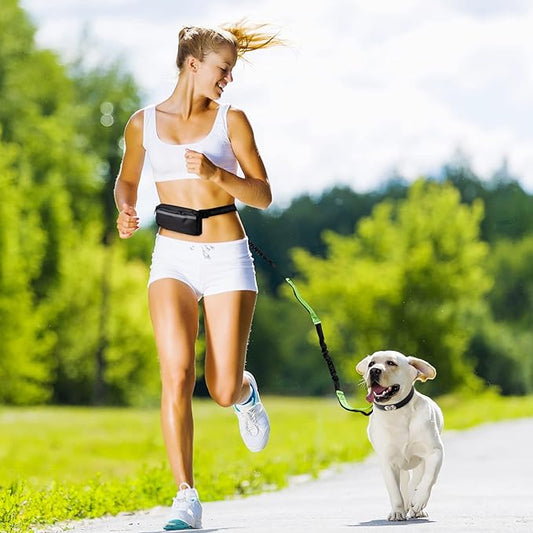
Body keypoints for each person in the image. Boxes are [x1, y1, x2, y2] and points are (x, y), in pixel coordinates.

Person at [114, 21, 283, 531]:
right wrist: (125, 209)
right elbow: (126, 182)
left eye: (230, 71)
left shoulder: (232, 121)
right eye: (222, 69)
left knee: (221, 386)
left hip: (227, 254)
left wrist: (216, 174)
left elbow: (262, 194)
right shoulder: (143, 122)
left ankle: (244, 395)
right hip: (172, 257)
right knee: (177, 375)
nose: (227, 79)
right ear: (193, 64)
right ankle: (185, 495)